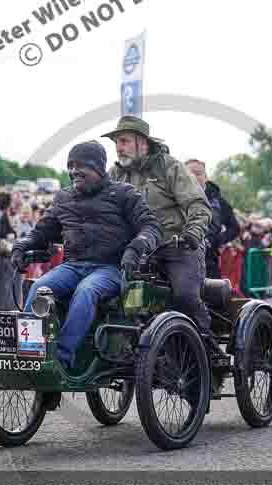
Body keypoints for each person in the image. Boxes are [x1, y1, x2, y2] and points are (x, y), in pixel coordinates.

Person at [12, 141, 161, 370]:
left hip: (111, 268)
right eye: (70, 166)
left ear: (98, 168)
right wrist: (22, 245)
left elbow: (151, 227)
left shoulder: (124, 194)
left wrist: (135, 249)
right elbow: (41, 232)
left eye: (80, 166)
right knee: (39, 287)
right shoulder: (64, 198)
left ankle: (62, 359)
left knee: (86, 291)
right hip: (73, 266)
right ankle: (30, 353)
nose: (73, 171)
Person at [103, 117, 220, 363]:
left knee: (184, 295)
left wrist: (192, 233)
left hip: (177, 248)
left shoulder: (170, 167)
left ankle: (207, 352)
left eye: (124, 141)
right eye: (116, 143)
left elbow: (199, 205)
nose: (119, 148)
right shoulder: (114, 174)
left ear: (143, 143)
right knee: (109, 296)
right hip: (135, 251)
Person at [185, 159, 239, 279]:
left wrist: (217, 241)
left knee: (212, 290)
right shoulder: (173, 198)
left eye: (198, 173)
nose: (194, 177)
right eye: (189, 173)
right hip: (180, 260)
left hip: (209, 261)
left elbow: (234, 228)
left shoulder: (218, 201)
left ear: (206, 177)